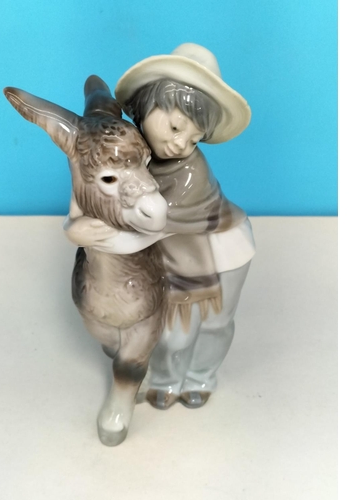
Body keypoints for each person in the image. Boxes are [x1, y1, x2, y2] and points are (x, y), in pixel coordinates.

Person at [65, 43, 256, 409]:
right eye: (175, 127)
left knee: (213, 322)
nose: (181, 143)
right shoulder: (131, 147)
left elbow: (148, 228)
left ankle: (201, 375)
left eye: (195, 138)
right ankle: (164, 379)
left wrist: (88, 237)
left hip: (215, 245)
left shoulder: (192, 173)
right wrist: (74, 225)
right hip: (162, 253)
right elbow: (95, 193)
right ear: (147, 105)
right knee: (167, 327)